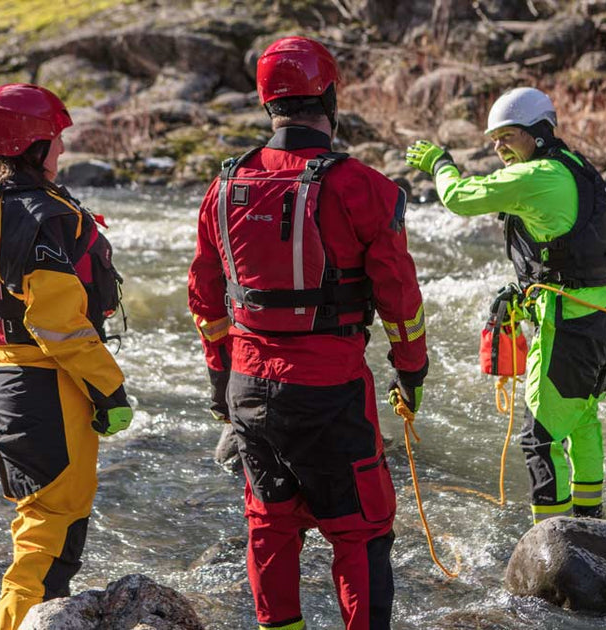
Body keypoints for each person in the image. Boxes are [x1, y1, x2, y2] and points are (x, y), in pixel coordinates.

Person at [188, 36, 428, 630]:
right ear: (329, 99)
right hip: (330, 391)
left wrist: (220, 383)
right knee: (360, 530)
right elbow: (399, 296)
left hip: (248, 387)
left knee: (270, 524)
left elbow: (204, 296)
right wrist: (411, 369)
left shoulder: (224, 187)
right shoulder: (364, 186)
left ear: (268, 102)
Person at [0, 83, 132, 629]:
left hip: (10, 377)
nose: (63, 148)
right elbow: (57, 324)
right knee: (49, 535)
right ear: (32, 145)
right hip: (49, 387)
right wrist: (109, 389)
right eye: (56, 139)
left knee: (47, 528)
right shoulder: (38, 215)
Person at [405, 87, 606, 525]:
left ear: (538, 133)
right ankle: (591, 521)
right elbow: (565, 258)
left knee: (539, 438)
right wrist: (527, 299)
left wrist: (441, 163)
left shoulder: (536, 176)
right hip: (605, 317)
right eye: (493, 140)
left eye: (507, 136)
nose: (498, 148)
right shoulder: (575, 167)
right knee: (582, 421)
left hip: (570, 324)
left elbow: (459, 197)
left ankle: (553, 536)